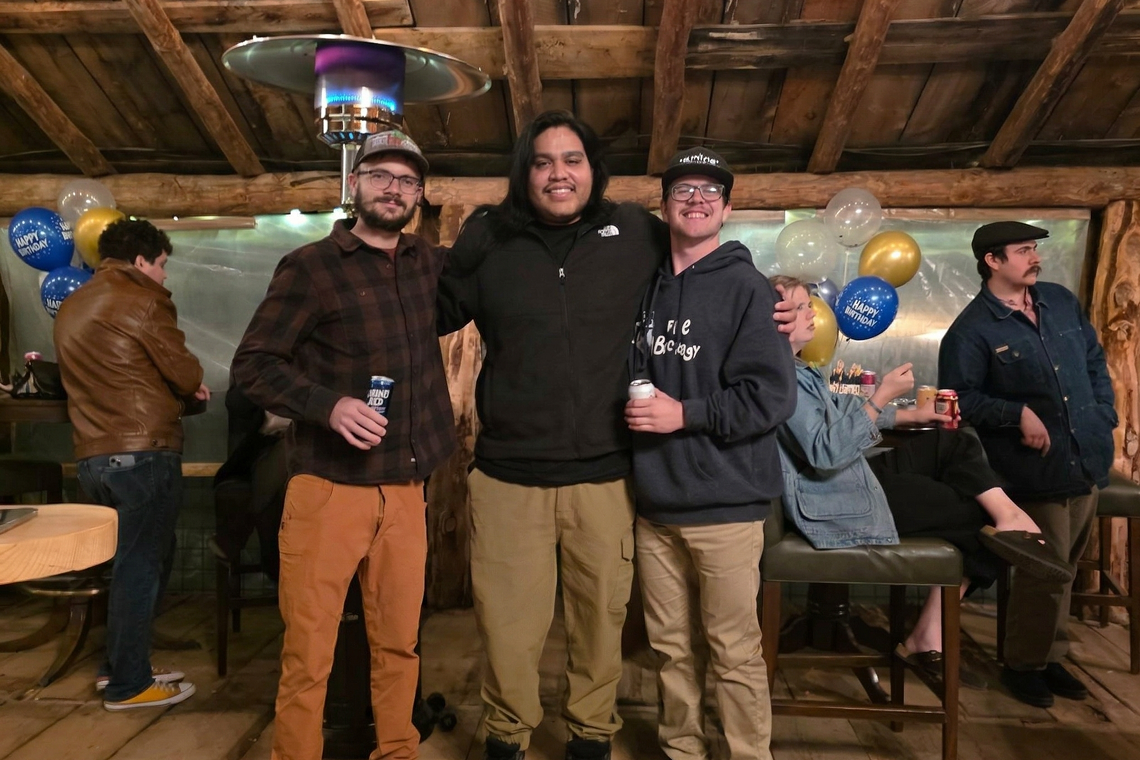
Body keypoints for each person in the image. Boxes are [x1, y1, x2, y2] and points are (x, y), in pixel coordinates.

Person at [231, 129, 455, 760]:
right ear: (356, 183)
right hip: (328, 489)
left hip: (407, 489)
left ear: (418, 195)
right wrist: (328, 405)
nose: (394, 189)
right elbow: (254, 365)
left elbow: (506, 278)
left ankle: (397, 750)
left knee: (399, 645)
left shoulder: (429, 265)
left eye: (407, 181)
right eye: (381, 175)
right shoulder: (309, 267)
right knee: (309, 649)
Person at [773, 275, 1071, 689]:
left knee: (951, 440)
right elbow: (826, 452)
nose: (813, 314)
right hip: (833, 500)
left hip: (847, 480)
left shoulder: (797, 369)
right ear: (775, 320)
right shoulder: (777, 377)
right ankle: (929, 632)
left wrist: (911, 414)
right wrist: (881, 398)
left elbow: (841, 407)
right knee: (975, 518)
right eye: (802, 307)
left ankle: (1010, 514)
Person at [625, 149, 796, 760]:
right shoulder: (643, 285)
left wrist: (684, 414)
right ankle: (682, 750)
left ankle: (750, 754)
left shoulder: (749, 289)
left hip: (726, 504)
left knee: (732, 649)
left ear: (727, 207)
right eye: (683, 189)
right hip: (653, 503)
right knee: (669, 648)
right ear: (665, 204)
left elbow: (771, 399)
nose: (696, 199)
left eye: (709, 191)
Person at [939, 221, 1117, 708]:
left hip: (1085, 454)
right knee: (1044, 570)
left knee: (1068, 566)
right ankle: (1024, 665)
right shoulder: (971, 330)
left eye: (1034, 249)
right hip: (1031, 470)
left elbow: (1094, 361)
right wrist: (1014, 412)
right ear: (992, 261)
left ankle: (1050, 657)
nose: (1034, 258)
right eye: (1022, 251)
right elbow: (959, 400)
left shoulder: (1059, 301)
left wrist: (1105, 414)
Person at [54, 219, 208, 710]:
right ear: (141, 261)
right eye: (162, 265)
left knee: (133, 563)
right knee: (141, 565)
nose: (164, 276)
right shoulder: (142, 299)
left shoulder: (74, 303)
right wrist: (191, 387)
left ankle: (117, 667)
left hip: (94, 458)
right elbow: (186, 372)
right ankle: (129, 686)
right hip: (143, 453)